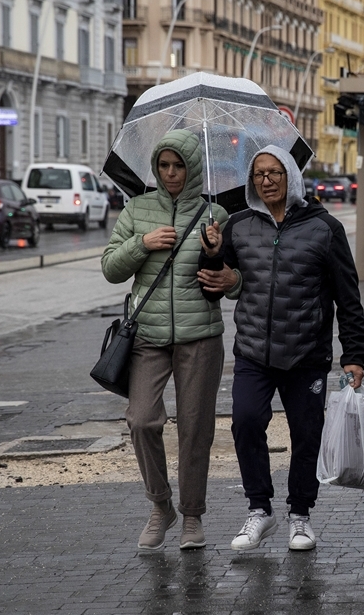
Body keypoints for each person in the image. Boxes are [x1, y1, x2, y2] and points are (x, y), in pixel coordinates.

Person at [198, 145, 364, 552]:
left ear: (290, 175)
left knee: (306, 435)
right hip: (254, 351)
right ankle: (260, 510)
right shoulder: (238, 225)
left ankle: (300, 517)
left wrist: (354, 354)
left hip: (306, 355)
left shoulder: (324, 228)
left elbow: (348, 295)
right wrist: (213, 251)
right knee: (246, 422)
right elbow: (211, 282)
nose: (266, 181)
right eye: (258, 175)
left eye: (274, 173)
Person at [101, 128, 228, 551]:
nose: (171, 173)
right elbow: (110, 268)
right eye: (163, 165)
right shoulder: (136, 210)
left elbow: (236, 282)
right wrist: (143, 243)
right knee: (141, 420)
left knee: (195, 428)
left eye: (179, 166)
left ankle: (192, 516)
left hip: (200, 337)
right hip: (148, 336)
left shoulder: (216, 216)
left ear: (192, 169)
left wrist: (216, 255)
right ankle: (161, 506)